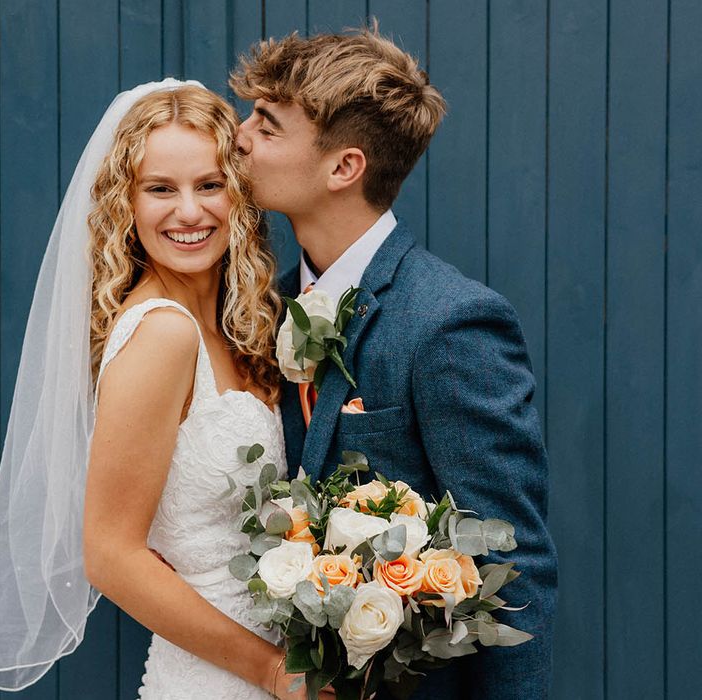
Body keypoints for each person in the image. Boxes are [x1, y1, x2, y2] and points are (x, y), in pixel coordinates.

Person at [0, 79, 333, 700]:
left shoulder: (243, 326)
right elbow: (111, 556)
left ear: (238, 195)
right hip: (223, 675)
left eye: (209, 185)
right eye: (160, 189)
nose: (189, 212)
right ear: (125, 204)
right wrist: (270, 669)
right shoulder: (163, 332)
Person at [232, 26, 558, 698]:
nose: (238, 136)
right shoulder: (264, 304)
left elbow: (510, 563)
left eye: (267, 126)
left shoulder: (452, 321)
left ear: (344, 167)